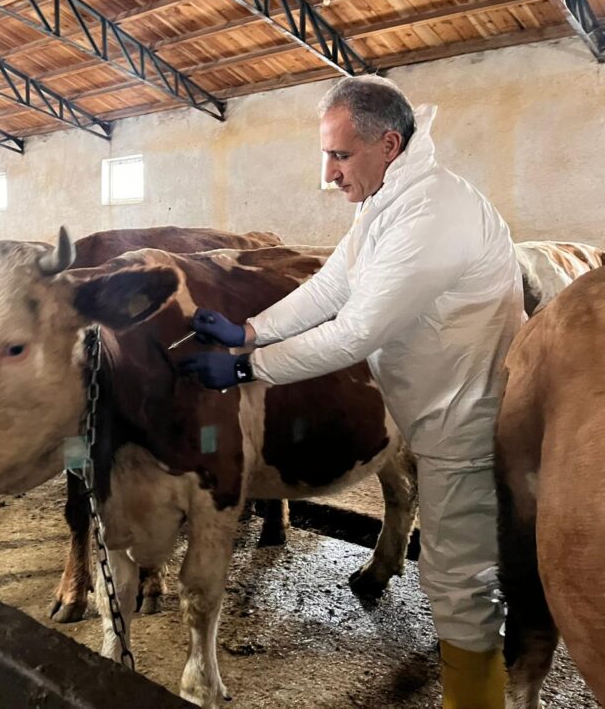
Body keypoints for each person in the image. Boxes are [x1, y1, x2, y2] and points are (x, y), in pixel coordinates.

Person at [179, 75, 524, 709]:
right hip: (436, 412)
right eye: (327, 155)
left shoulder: (432, 213)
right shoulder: (387, 197)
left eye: (340, 155)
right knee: (456, 576)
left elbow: (355, 332)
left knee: (459, 582)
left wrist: (247, 369)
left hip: (467, 423)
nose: (329, 174)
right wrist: (250, 331)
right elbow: (333, 285)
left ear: (388, 143)